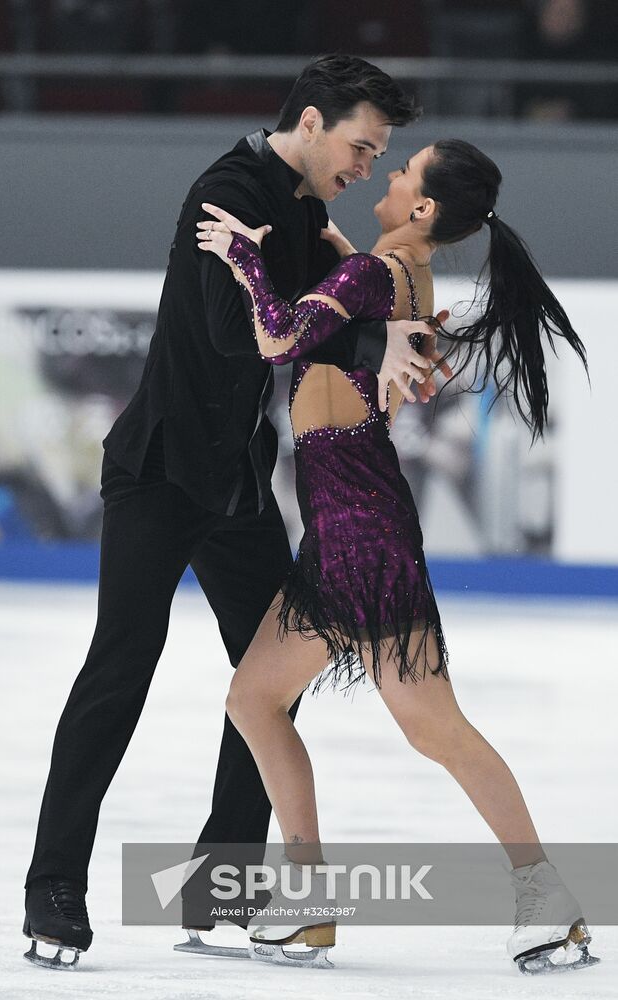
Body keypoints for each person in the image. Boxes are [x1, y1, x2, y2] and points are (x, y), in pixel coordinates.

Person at [22, 55, 441, 970]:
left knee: (268, 683)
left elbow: (296, 317)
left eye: (381, 155)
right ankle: (53, 886)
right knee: (120, 667)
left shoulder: (297, 206)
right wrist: (374, 330)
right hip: (163, 470)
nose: (368, 165)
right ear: (314, 119)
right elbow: (234, 331)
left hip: (239, 485)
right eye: (362, 145)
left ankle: (225, 879)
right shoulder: (229, 189)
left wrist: (354, 277)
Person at [194, 138, 598, 975]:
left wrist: (245, 258)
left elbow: (277, 339)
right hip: (353, 519)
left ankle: (539, 898)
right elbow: (362, 312)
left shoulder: (378, 275)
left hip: (359, 527)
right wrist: (341, 257)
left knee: (423, 725)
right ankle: (314, 904)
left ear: (422, 208)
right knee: (263, 698)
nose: (383, 175)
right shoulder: (403, 272)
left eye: (402, 171)